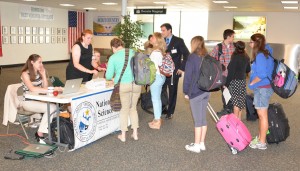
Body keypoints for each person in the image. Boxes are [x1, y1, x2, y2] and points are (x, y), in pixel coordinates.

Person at [21, 54, 62, 143]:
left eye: (41, 62)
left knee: (54, 108)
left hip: (38, 100)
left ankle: (42, 130)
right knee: (52, 108)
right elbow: (32, 89)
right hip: (28, 102)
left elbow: (45, 87)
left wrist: (43, 75)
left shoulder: (39, 73)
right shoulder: (25, 74)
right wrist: (50, 90)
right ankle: (40, 133)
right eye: (39, 62)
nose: (41, 64)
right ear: (32, 62)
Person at [105, 38, 141, 142]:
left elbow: (108, 76)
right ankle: (135, 134)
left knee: (124, 110)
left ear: (113, 47)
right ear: (122, 45)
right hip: (136, 84)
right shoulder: (134, 52)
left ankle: (123, 136)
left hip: (123, 86)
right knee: (133, 108)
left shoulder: (113, 57)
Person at [183, 36, 210, 153]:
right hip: (206, 91)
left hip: (196, 91)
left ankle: (197, 145)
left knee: (197, 120)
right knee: (203, 118)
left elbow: (188, 76)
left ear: (193, 44)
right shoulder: (206, 56)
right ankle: (202, 143)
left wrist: (186, 92)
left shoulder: (192, 57)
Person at [248, 33, 274, 150]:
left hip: (262, 88)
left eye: (251, 42)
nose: (250, 44)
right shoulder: (267, 52)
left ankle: (262, 142)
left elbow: (262, 74)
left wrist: (253, 83)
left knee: (262, 116)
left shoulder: (260, 55)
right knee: (262, 115)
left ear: (256, 43)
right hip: (265, 88)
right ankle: (260, 137)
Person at [160, 23, 190, 119]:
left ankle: (170, 112)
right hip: (162, 71)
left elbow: (187, 54)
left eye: (163, 30)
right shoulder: (161, 41)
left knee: (172, 91)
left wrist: (182, 68)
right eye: (161, 30)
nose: (162, 32)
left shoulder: (178, 41)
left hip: (174, 71)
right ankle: (163, 107)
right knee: (162, 90)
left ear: (169, 30)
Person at [210, 29, 235, 116]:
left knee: (232, 91)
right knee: (225, 91)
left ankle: (230, 108)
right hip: (222, 74)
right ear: (228, 37)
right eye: (232, 36)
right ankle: (226, 108)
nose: (233, 38)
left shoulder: (234, 46)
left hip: (233, 74)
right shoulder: (218, 47)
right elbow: (211, 58)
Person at [224, 41, 251, 119]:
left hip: (235, 82)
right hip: (242, 81)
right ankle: (239, 120)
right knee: (240, 101)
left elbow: (231, 73)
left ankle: (236, 121)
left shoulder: (235, 57)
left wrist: (226, 84)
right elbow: (248, 69)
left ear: (236, 48)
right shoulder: (246, 57)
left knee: (235, 102)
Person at [148, 32, 166, 129]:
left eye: (153, 38)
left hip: (156, 77)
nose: (151, 39)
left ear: (157, 40)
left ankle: (157, 121)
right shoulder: (160, 51)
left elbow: (152, 68)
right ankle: (157, 118)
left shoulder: (155, 53)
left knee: (155, 99)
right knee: (157, 98)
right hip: (161, 77)